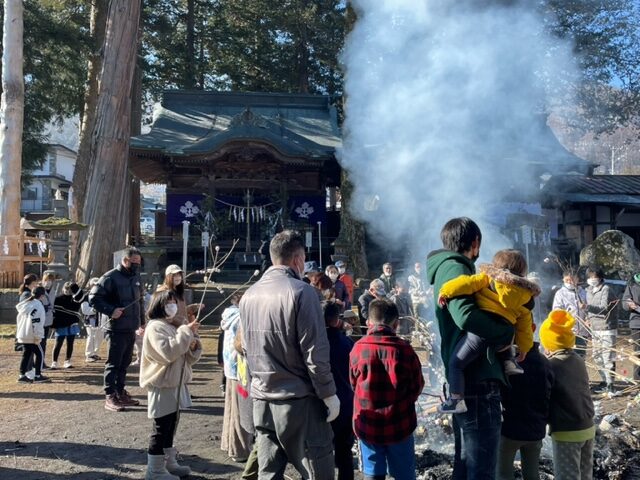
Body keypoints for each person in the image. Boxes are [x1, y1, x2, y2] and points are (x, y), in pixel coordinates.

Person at [239, 230, 338, 479]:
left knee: (269, 472)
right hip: (299, 399)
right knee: (318, 468)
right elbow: (315, 351)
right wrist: (328, 393)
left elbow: (243, 345)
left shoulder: (248, 296)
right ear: (298, 259)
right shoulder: (302, 292)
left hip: (262, 396)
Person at [427, 217, 514, 480]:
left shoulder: (447, 268)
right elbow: (464, 315)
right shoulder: (456, 269)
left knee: (466, 466)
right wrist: (505, 331)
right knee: (481, 470)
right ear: (475, 243)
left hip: (469, 381)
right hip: (478, 380)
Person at [437, 249, 541, 412]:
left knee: (456, 364)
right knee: (507, 331)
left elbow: (466, 283)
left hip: (480, 334)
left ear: (496, 266)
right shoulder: (526, 297)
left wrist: (445, 291)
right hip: (504, 339)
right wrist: (524, 348)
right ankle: (509, 361)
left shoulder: (488, 278)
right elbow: (525, 326)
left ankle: (456, 399)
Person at [350, 299, 424, 480]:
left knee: (373, 474)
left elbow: (353, 384)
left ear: (369, 322)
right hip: (400, 426)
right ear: (396, 324)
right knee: (404, 475)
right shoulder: (405, 350)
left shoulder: (358, 349)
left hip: (368, 425)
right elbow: (417, 386)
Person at [140, 289, 201, 480]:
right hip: (162, 383)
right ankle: (154, 470)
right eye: (168, 303)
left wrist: (193, 343)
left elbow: (186, 357)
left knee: (171, 424)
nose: (172, 306)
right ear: (159, 305)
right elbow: (167, 352)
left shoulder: (172, 325)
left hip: (175, 382)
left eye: (174, 302)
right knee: (161, 426)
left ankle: (168, 462)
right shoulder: (155, 327)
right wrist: (185, 331)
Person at [540, 309, 595, 480]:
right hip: (588, 427)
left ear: (548, 345)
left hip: (567, 431)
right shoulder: (578, 359)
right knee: (585, 474)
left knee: (567, 476)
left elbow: (544, 397)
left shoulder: (551, 366)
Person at [90, 246, 145, 412]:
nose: (136, 265)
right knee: (113, 363)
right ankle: (110, 395)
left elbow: (139, 301)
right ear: (125, 260)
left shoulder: (136, 277)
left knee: (125, 362)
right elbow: (93, 298)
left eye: (138, 262)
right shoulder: (109, 277)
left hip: (131, 327)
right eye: (134, 262)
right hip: (115, 327)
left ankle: (121, 391)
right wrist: (110, 310)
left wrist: (142, 321)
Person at [497, 335, 554, 480]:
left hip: (510, 431)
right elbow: (550, 392)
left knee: (503, 474)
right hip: (536, 430)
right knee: (532, 474)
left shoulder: (508, 363)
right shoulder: (544, 362)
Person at [220, 293, 253, 462]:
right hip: (240, 370)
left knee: (232, 409)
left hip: (231, 368)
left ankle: (229, 443)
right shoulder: (242, 318)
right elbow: (243, 345)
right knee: (242, 411)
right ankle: (240, 449)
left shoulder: (230, 314)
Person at [324, 302, 355, 480]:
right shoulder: (348, 343)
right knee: (344, 452)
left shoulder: (314, 344)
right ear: (337, 320)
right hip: (345, 402)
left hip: (321, 402)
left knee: (319, 451)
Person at [585, 267, 618, 394]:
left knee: (608, 357)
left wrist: (588, 307)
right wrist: (588, 318)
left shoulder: (606, 289)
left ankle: (611, 384)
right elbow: (588, 310)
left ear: (600, 277)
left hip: (606, 327)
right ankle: (604, 381)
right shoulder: (588, 290)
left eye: (595, 277)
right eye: (590, 277)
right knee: (597, 357)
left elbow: (604, 308)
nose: (592, 279)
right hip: (594, 328)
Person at [16, 286, 51, 383]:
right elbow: (37, 322)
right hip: (32, 334)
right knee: (39, 354)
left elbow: (19, 320)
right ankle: (38, 375)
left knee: (26, 354)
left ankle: (22, 375)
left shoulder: (25, 304)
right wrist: (38, 336)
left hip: (23, 333)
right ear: (42, 296)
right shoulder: (38, 305)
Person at [552, 271, 588, 357]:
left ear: (577, 279)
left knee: (581, 357)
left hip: (582, 332)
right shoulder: (560, 293)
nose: (569, 282)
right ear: (563, 280)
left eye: (571, 280)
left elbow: (588, 310)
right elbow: (556, 311)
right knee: (568, 356)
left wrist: (587, 316)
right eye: (567, 280)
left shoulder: (583, 292)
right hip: (568, 331)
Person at [51, 282, 84, 369]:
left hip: (72, 324)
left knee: (70, 343)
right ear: (63, 289)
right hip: (61, 324)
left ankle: (67, 361)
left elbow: (81, 295)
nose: (67, 291)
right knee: (58, 343)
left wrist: (75, 288)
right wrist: (54, 325)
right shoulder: (57, 299)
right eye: (66, 289)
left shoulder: (75, 299)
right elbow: (55, 313)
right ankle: (54, 362)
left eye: (69, 289)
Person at [621, 273, 640, 381]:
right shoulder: (632, 284)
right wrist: (629, 304)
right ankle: (638, 385)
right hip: (637, 323)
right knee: (638, 354)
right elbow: (625, 303)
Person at [81, 277, 104, 363]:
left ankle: (95, 352)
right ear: (90, 286)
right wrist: (95, 309)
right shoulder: (86, 296)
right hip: (90, 320)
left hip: (101, 320)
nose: (95, 286)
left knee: (99, 337)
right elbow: (85, 310)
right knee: (91, 337)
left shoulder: (102, 295)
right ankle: (89, 354)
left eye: (97, 284)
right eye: (93, 285)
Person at [40, 272, 58, 368]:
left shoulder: (53, 290)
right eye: (46, 280)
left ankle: (41, 361)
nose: (48, 282)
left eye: (50, 280)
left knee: (44, 342)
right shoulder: (39, 290)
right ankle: (39, 362)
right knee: (39, 342)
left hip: (48, 319)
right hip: (40, 319)